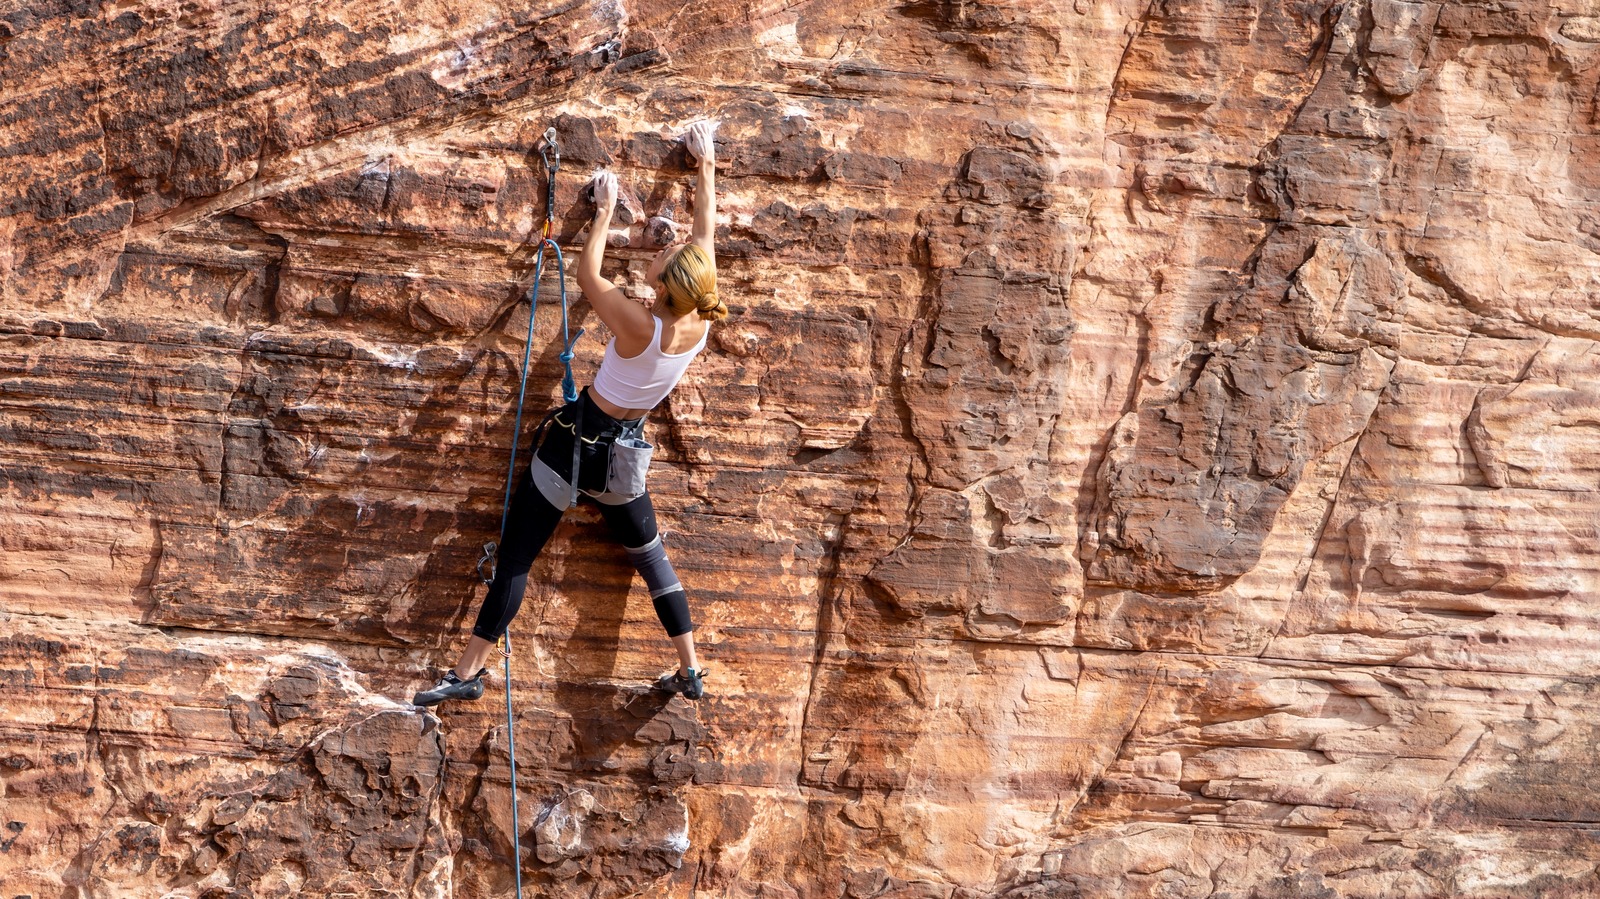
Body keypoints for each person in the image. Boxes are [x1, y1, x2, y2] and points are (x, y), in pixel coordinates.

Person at [414, 121, 725, 707]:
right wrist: (704, 164)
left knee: (516, 558)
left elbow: (588, 277)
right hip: (624, 462)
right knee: (652, 560)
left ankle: (467, 672)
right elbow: (705, 229)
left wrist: (603, 212)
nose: (661, 252)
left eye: (663, 258)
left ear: (665, 286)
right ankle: (690, 669)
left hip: (572, 448)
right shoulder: (702, 310)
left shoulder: (641, 324)